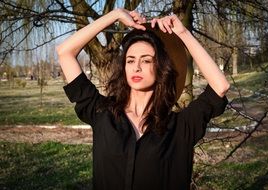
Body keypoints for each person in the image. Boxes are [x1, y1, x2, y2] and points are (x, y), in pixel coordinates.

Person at [56, 8, 230, 190]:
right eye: (130, 60)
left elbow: (220, 86)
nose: (136, 67)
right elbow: (65, 52)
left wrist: (183, 33)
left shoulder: (180, 128)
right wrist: (114, 15)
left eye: (146, 60)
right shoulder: (102, 113)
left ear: (161, 68)